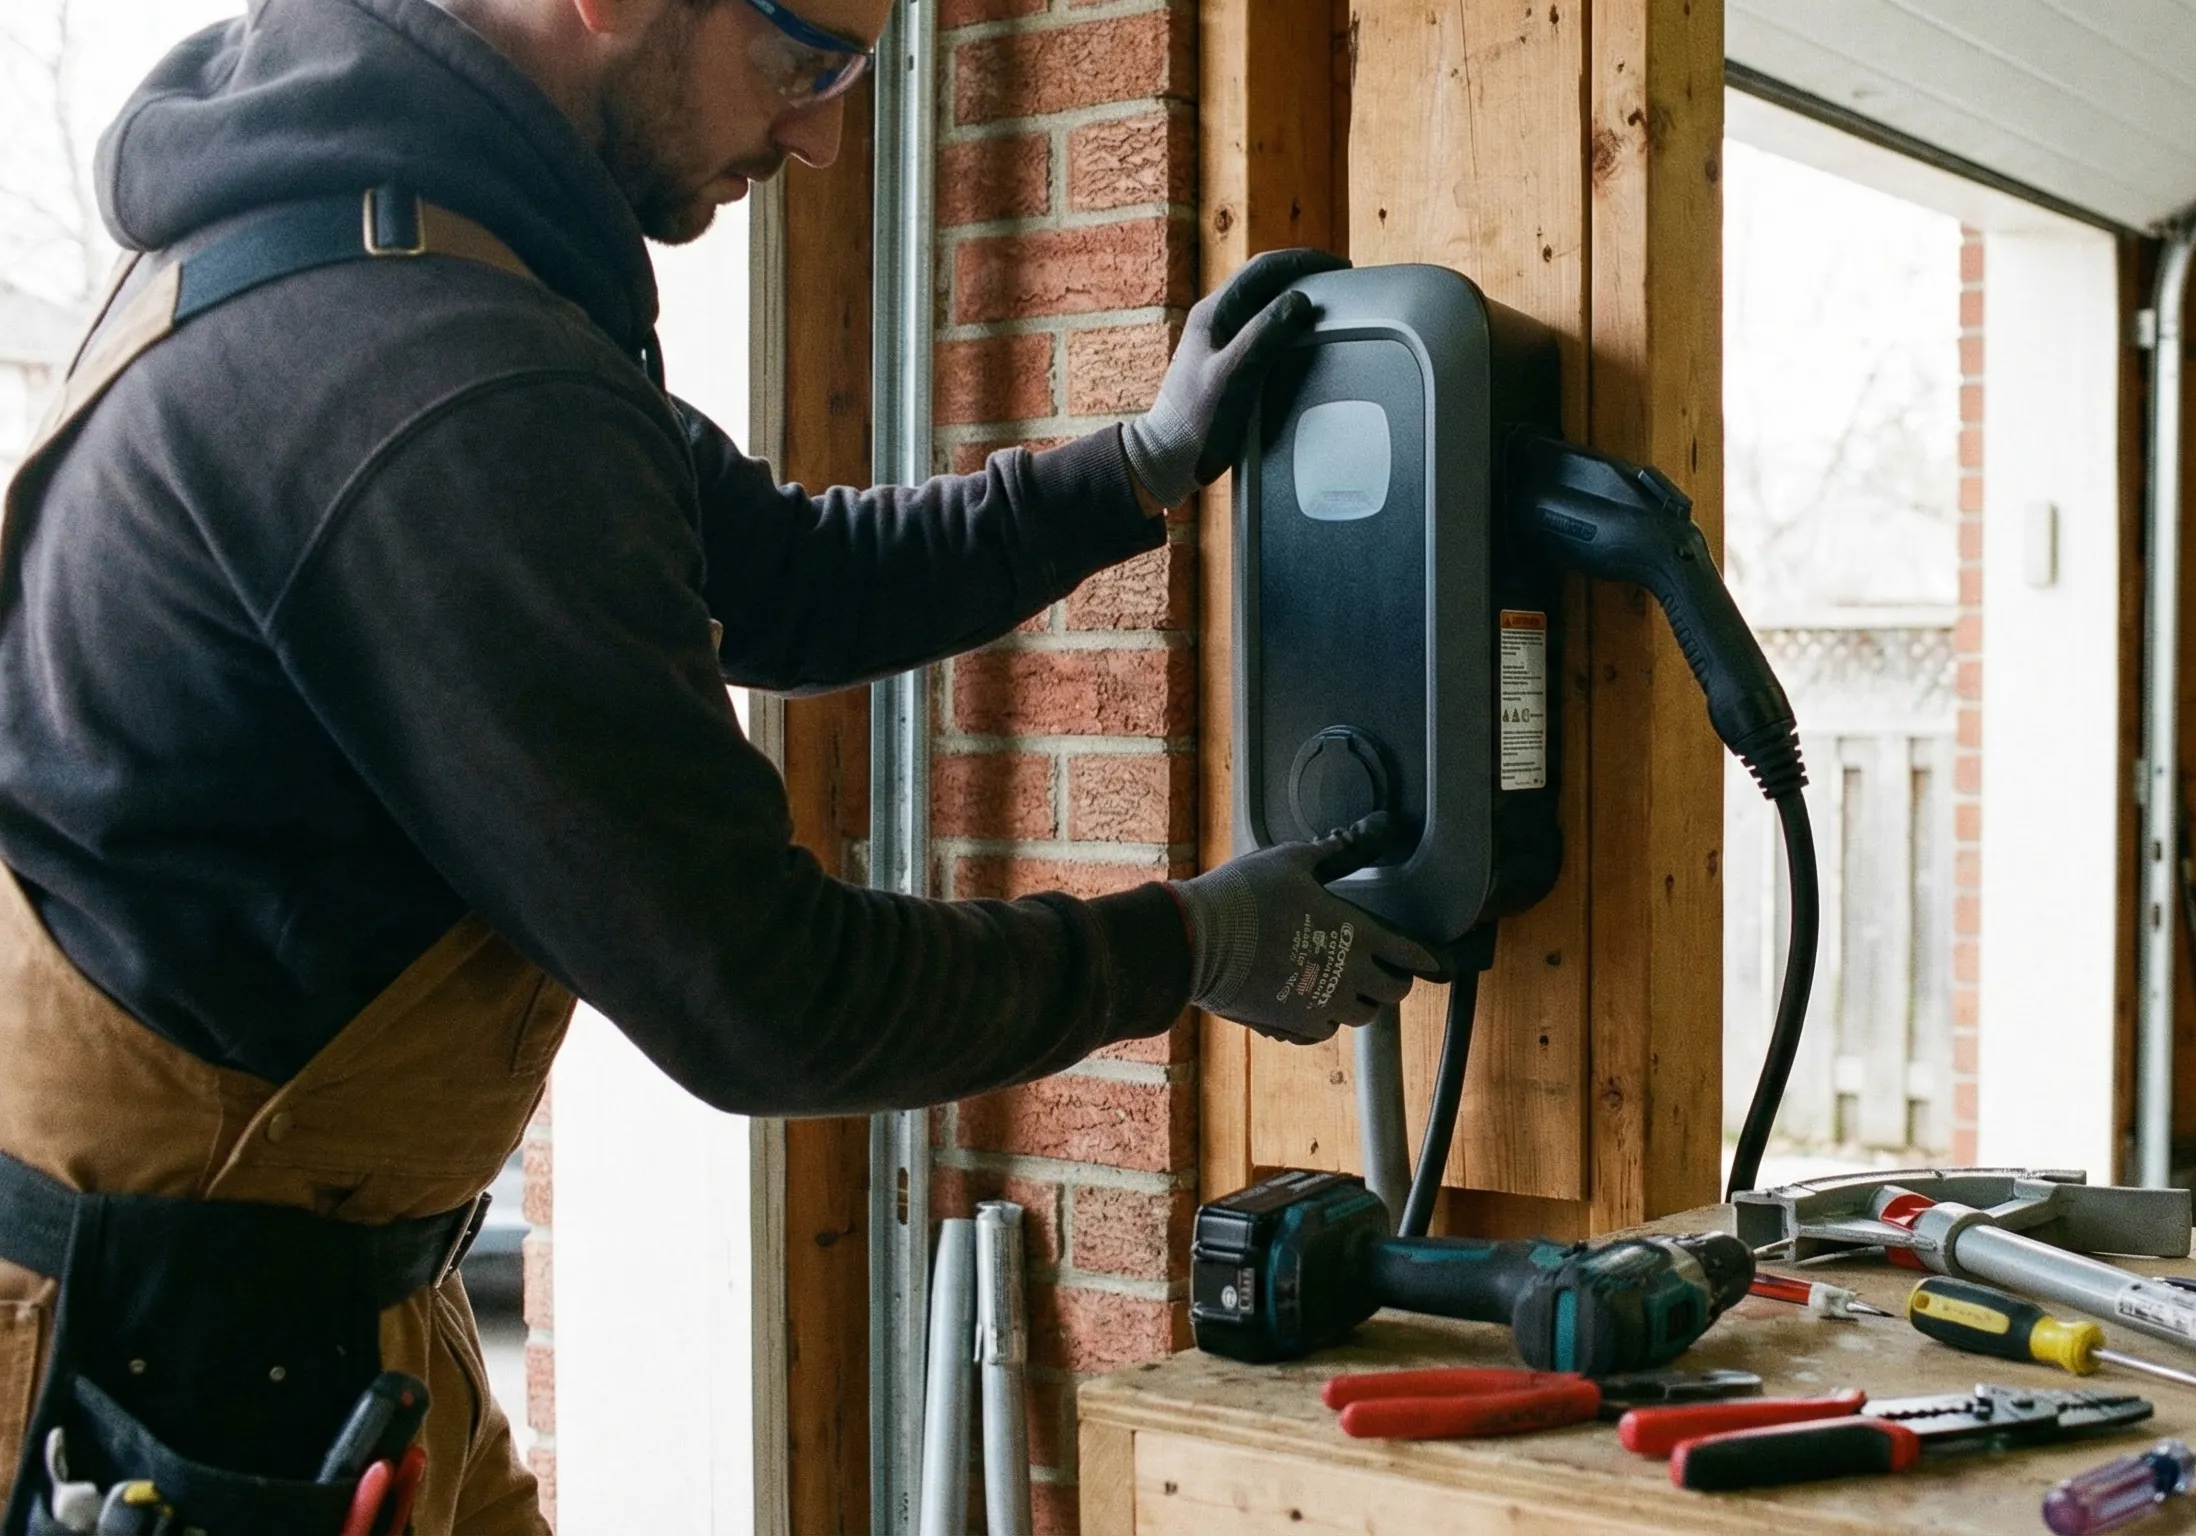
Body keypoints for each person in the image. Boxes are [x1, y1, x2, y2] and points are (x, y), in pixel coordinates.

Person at [0, 0, 1436, 1529]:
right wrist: (1193, 944)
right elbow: (764, 995)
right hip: (161, 1380)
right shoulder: (427, 380)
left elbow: (789, 573)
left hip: (317, 1313)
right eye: (802, 55)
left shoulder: (397, 263)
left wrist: (1137, 464)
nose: (820, 131)